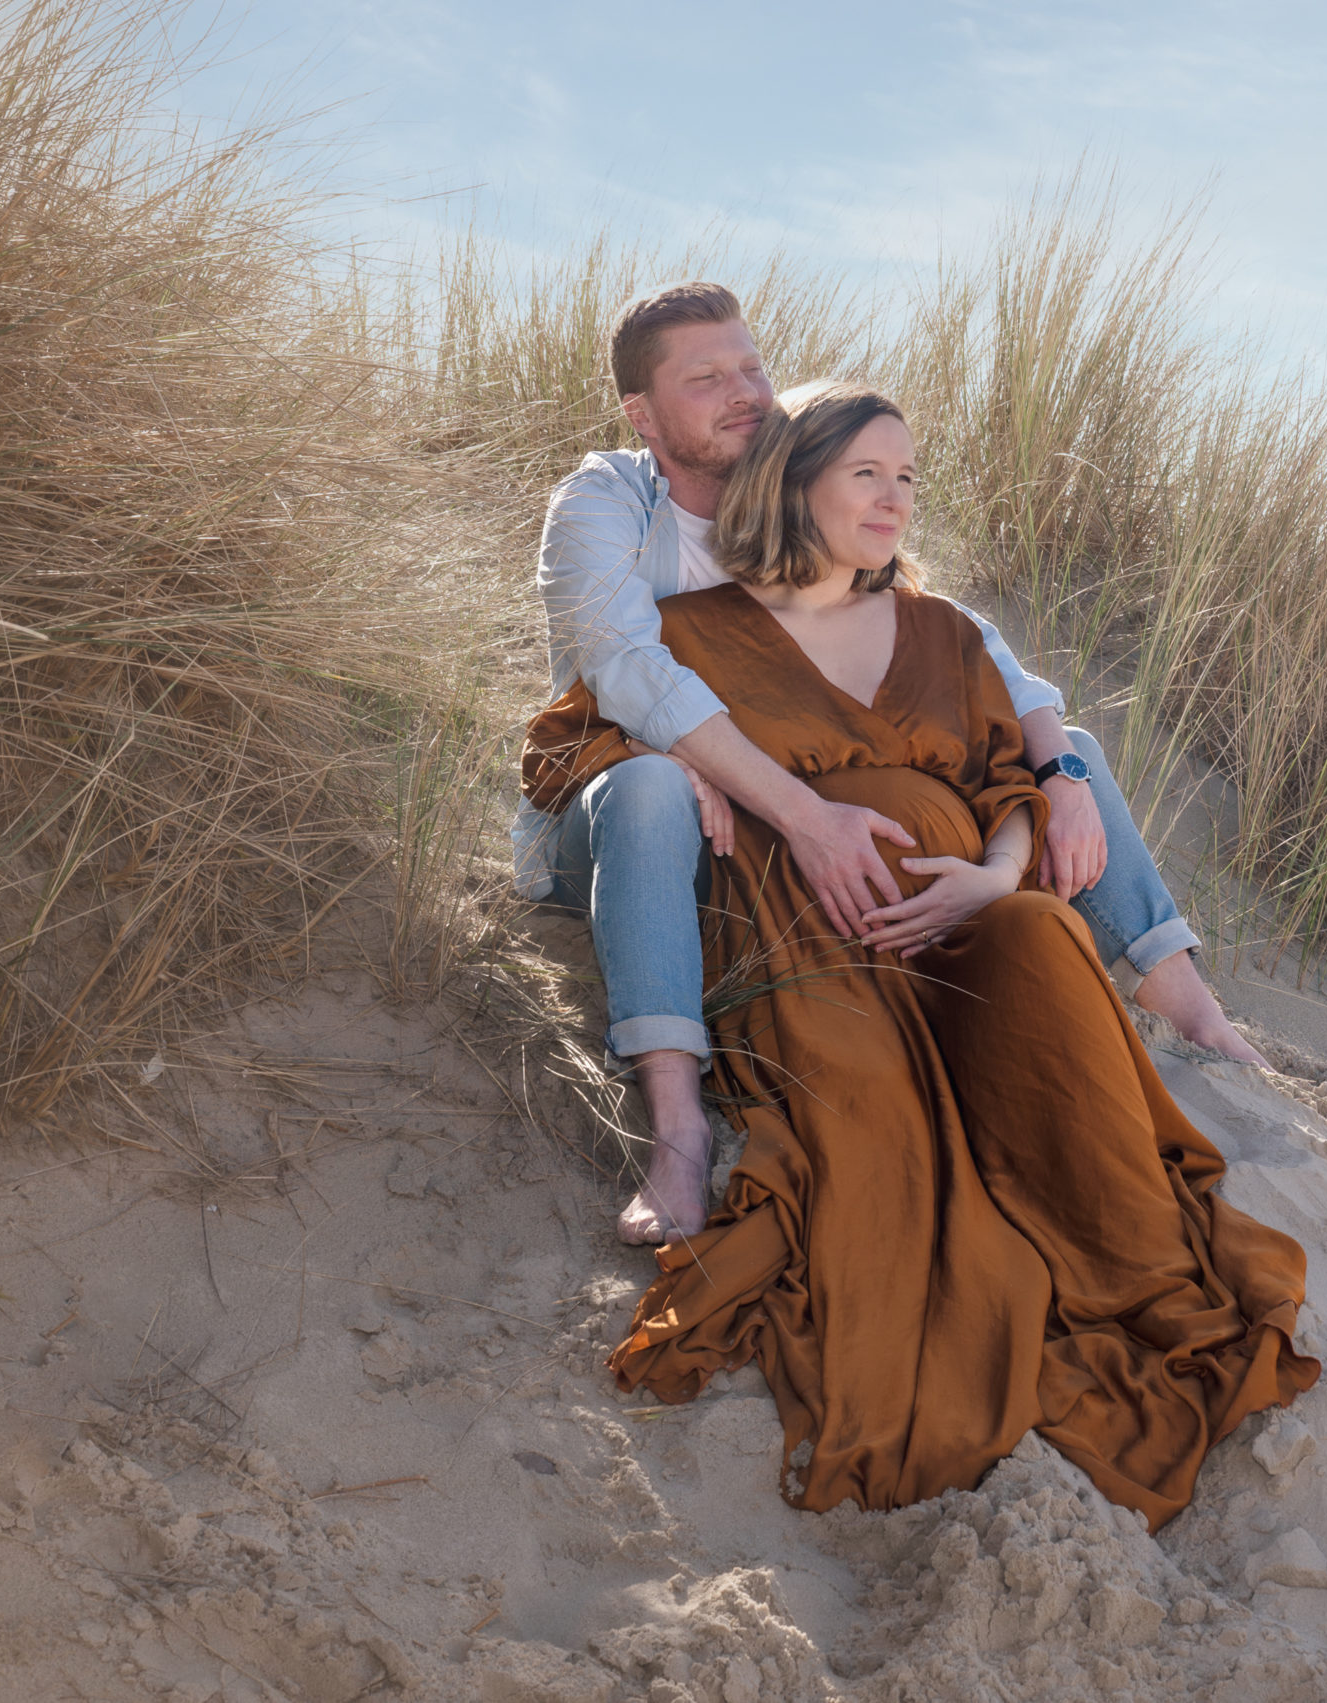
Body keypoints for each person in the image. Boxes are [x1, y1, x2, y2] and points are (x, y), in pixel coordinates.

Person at [521, 382, 1314, 1528]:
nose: (894, 499)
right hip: (807, 933)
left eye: (907, 480)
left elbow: (1009, 776)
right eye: (865, 476)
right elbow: (569, 740)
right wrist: (682, 760)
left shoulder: (942, 629)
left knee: (1042, 934)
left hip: (966, 915)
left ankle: (1132, 1194)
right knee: (872, 1132)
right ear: (796, 482)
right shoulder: (691, 631)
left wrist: (994, 875)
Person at [516, 281, 1265, 1246]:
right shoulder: (611, 502)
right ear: (643, 413)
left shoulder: (796, 505)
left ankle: (1197, 1018)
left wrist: (1067, 781)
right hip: (623, 808)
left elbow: (996, 673)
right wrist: (771, 796)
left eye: (753, 366)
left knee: (1065, 747)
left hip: (776, 810)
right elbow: (621, 669)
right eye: (707, 378)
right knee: (659, 779)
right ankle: (678, 1128)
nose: (744, 391)